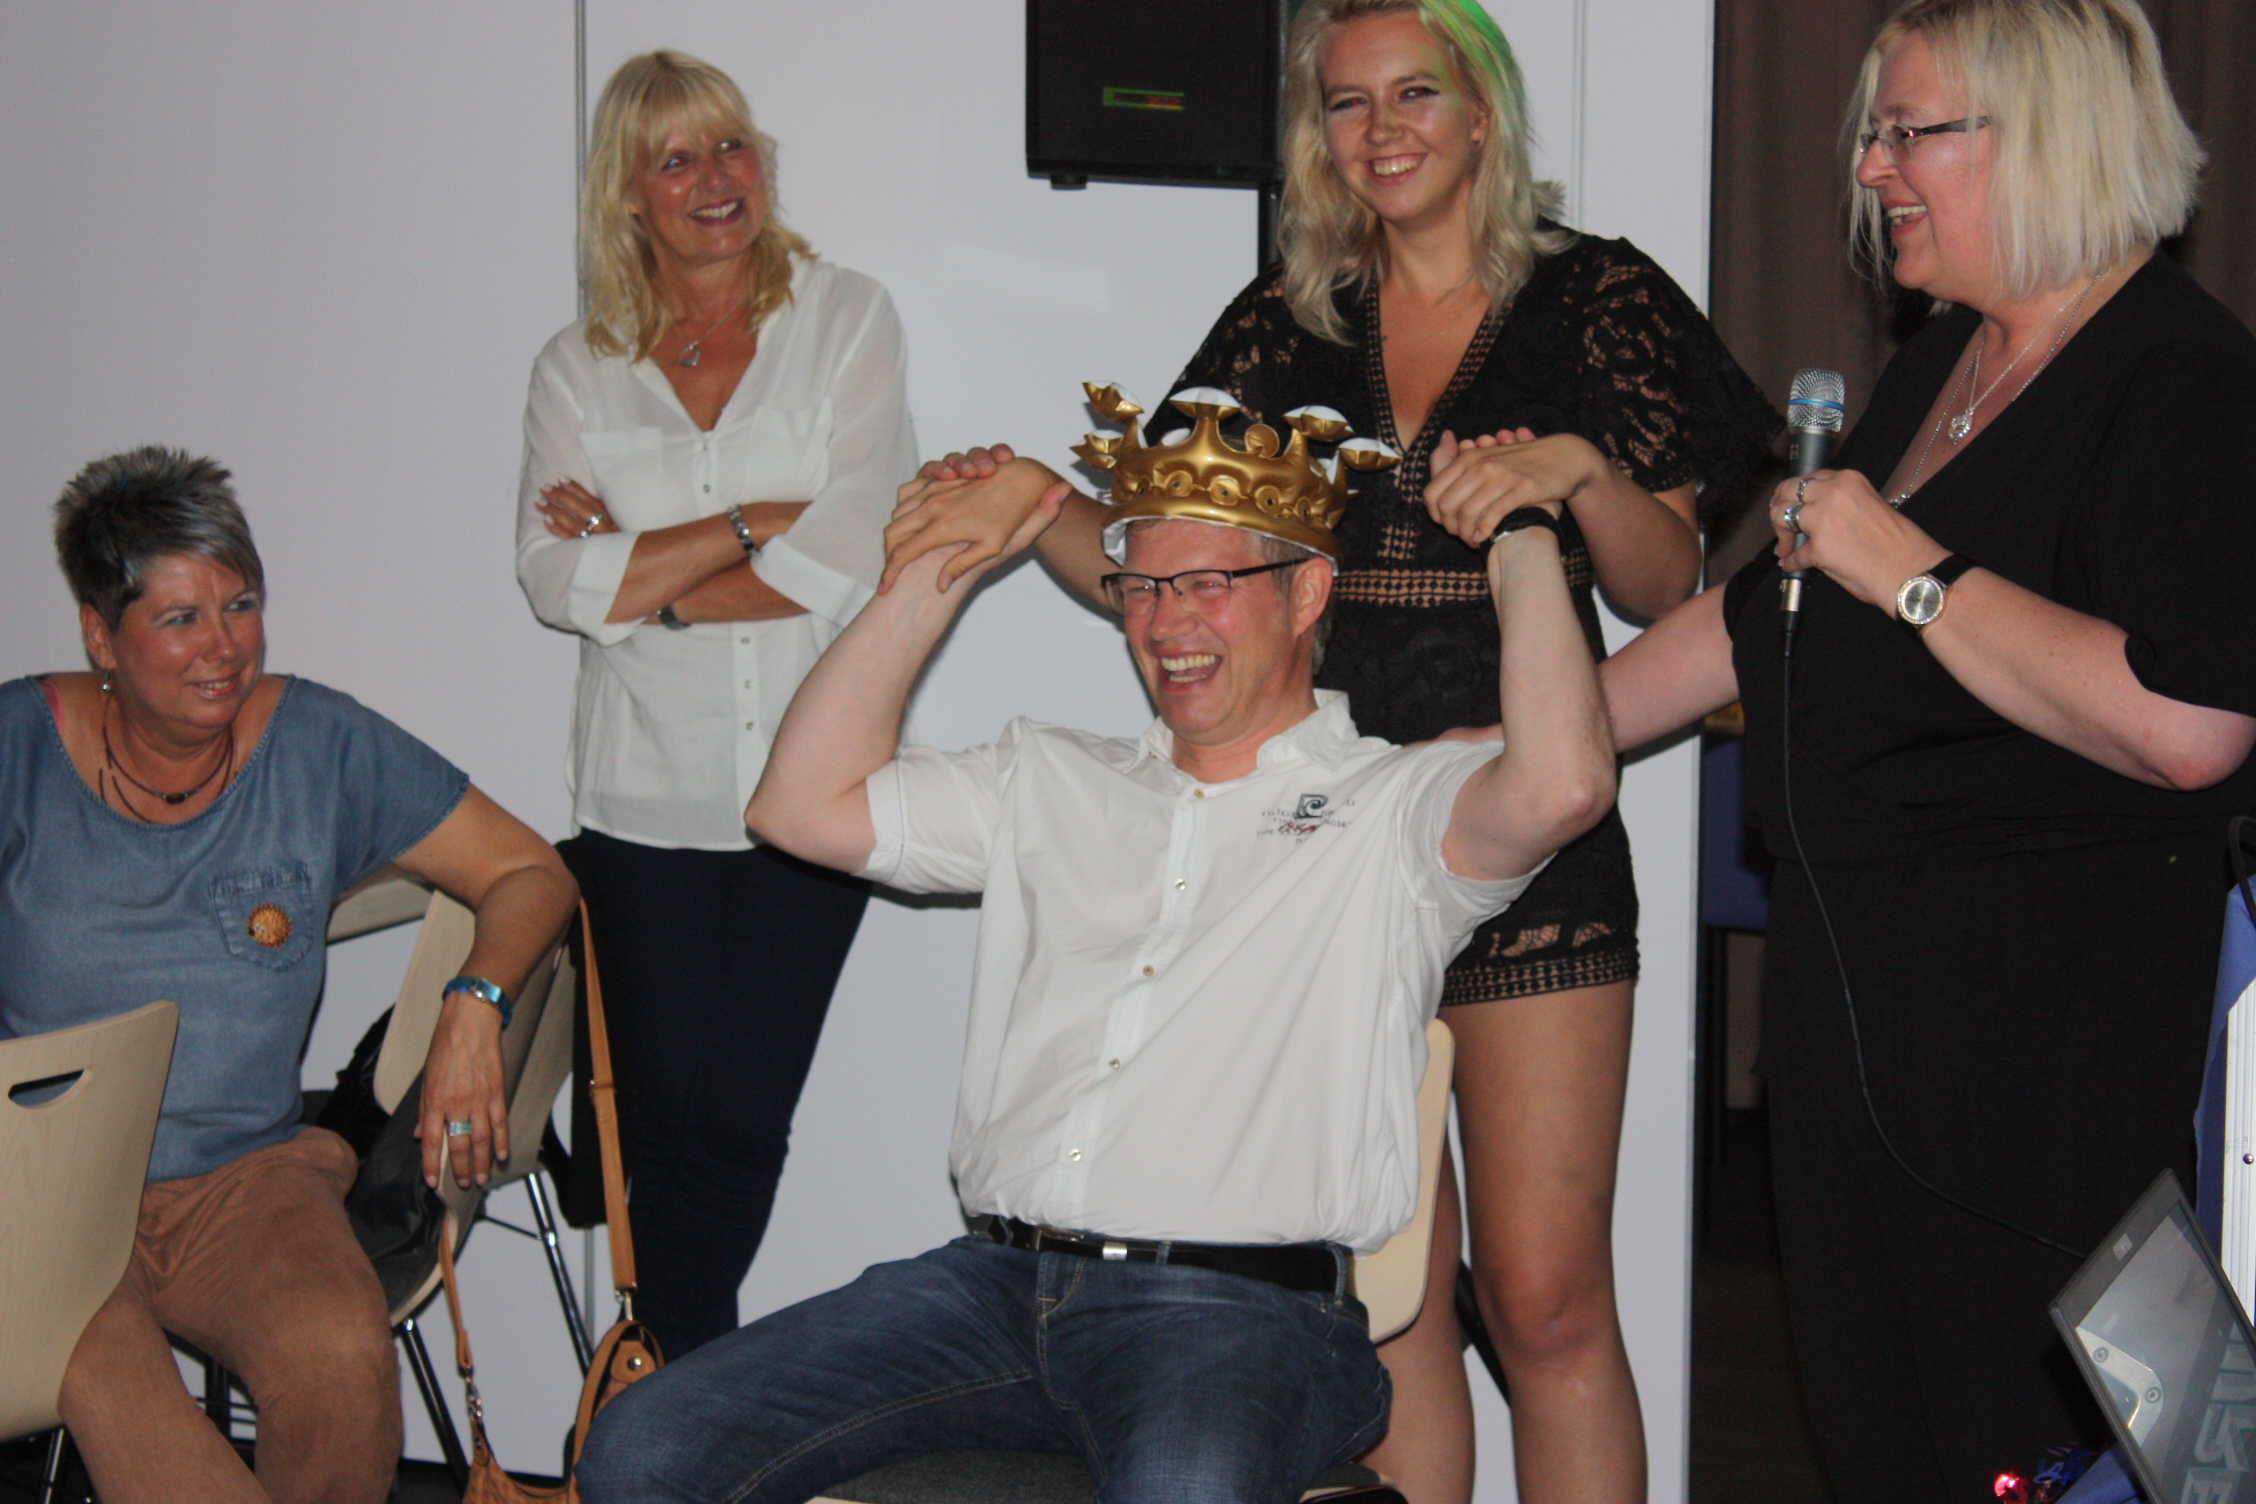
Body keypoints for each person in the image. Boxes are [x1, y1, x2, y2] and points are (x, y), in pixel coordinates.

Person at [881, 2, 1776, 1498]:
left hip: (1525, 829)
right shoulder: (1280, 321)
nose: (1383, 131)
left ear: (1483, 111)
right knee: (1388, 1309)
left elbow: (1664, 581)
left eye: (1415, 93)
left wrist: (1577, 477)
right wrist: (1037, 505)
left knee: (1547, 1305)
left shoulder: (1599, 294)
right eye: (1348, 104)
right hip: (1321, 855)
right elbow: (1164, 569)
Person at [573, 386, 1616, 1504]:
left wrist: (1520, 533)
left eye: (1210, 584)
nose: (1168, 624)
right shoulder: (1049, 777)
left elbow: (1563, 785)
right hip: (987, 1289)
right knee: (644, 1447)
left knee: (1181, 1490)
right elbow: (798, 807)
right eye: (1145, 589)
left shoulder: (1394, 807)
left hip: (1239, 1312)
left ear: (1307, 591)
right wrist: (939, 565)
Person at [1598, 2, 2256, 1497]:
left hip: (2055, 1088)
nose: (1870, 167)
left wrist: (1910, 569)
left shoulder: (2183, 380)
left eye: (1909, 132)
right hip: (1868, 1062)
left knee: (2050, 1465)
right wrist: (1523, 733)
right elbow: (1753, 619)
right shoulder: (1943, 362)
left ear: (2049, 140)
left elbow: (2191, 725)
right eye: (1871, 132)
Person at [0, 447, 579, 1504]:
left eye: (241, 605)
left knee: (339, 1352)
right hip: (47, 1191)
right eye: (181, 618)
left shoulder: (318, 742)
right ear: (100, 635)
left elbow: (530, 872)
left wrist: (473, 1003)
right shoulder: (17, 749)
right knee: (122, 1390)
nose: (224, 647)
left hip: (245, 1178)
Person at [514, 49, 917, 1358]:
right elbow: (553, 578)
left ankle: (660, 1401)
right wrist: (750, 522)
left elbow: (853, 550)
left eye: (730, 146)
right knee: (659, 1129)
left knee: (741, 1122)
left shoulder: (845, 318)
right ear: (627, 194)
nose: (714, 179)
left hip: (817, 787)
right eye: (676, 159)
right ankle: (681, 1399)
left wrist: (652, 584)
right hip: (644, 801)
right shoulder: (578, 367)